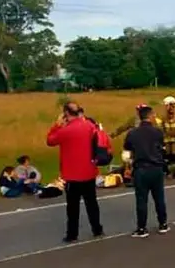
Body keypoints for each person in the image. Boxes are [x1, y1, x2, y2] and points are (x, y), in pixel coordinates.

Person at [46, 102, 103, 243]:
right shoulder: (89, 126)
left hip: (72, 174)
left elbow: (50, 141)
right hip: (89, 171)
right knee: (92, 203)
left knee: (72, 207)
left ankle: (72, 234)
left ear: (66, 113)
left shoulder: (65, 130)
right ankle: (97, 229)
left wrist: (57, 125)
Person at [124, 105, 170, 238]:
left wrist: (128, 166)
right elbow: (162, 148)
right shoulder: (158, 132)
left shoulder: (132, 133)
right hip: (156, 168)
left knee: (141, 199)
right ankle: (163, 223)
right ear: (150, 116)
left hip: (141, 169)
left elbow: (127, 150)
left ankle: (142, 227)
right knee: (159, 197)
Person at [155, 96, 175, 178]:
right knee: (168, 156)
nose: (166, 107)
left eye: (167, 105)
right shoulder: (164, 115)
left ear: (171, 105)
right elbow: (161, 127)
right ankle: (171, 171)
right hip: (167, 140)